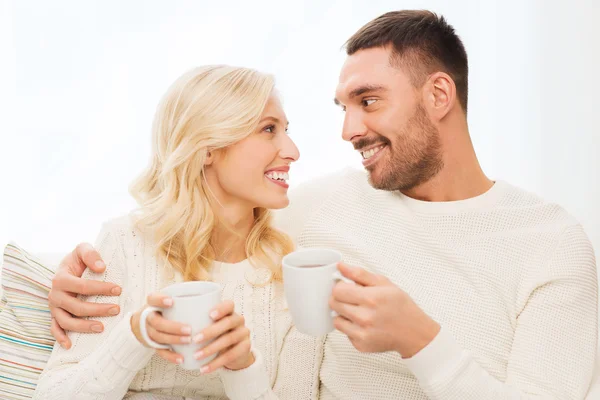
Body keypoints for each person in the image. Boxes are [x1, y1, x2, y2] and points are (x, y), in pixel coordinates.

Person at [48, 10, 598, 400]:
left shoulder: (549, 245)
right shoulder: (310, 215)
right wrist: (66, 276)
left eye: (369, 102)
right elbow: (200, 224)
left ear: (438, 96)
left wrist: (421, 341)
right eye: (342, 106)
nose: (347, 130)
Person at [34, 65, 322, 399]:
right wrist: (135, 335)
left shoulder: (298, 277)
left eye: (286, 130)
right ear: (208, 148)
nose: (293, 151)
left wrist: (242, 366)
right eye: (269, 129)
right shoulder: (126, 243)